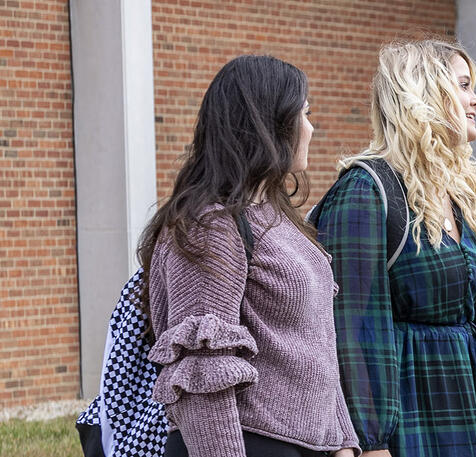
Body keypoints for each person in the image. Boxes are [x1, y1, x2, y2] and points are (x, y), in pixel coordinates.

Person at [313, 39, 476, 457]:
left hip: (461, 408)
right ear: (422, 93)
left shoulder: (460, 195)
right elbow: (353, 333)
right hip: (404, 417)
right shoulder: (366, 191)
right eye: (463, 85)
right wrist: (372, 444)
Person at [138, 55, 359, 457]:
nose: (311, 128)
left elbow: (318, 345)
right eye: (304, 114)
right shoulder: (210, 228)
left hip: (307, 444)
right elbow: (203, 376)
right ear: (268, 123)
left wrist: (343, 442)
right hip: (248, 442)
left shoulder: (279, 219)